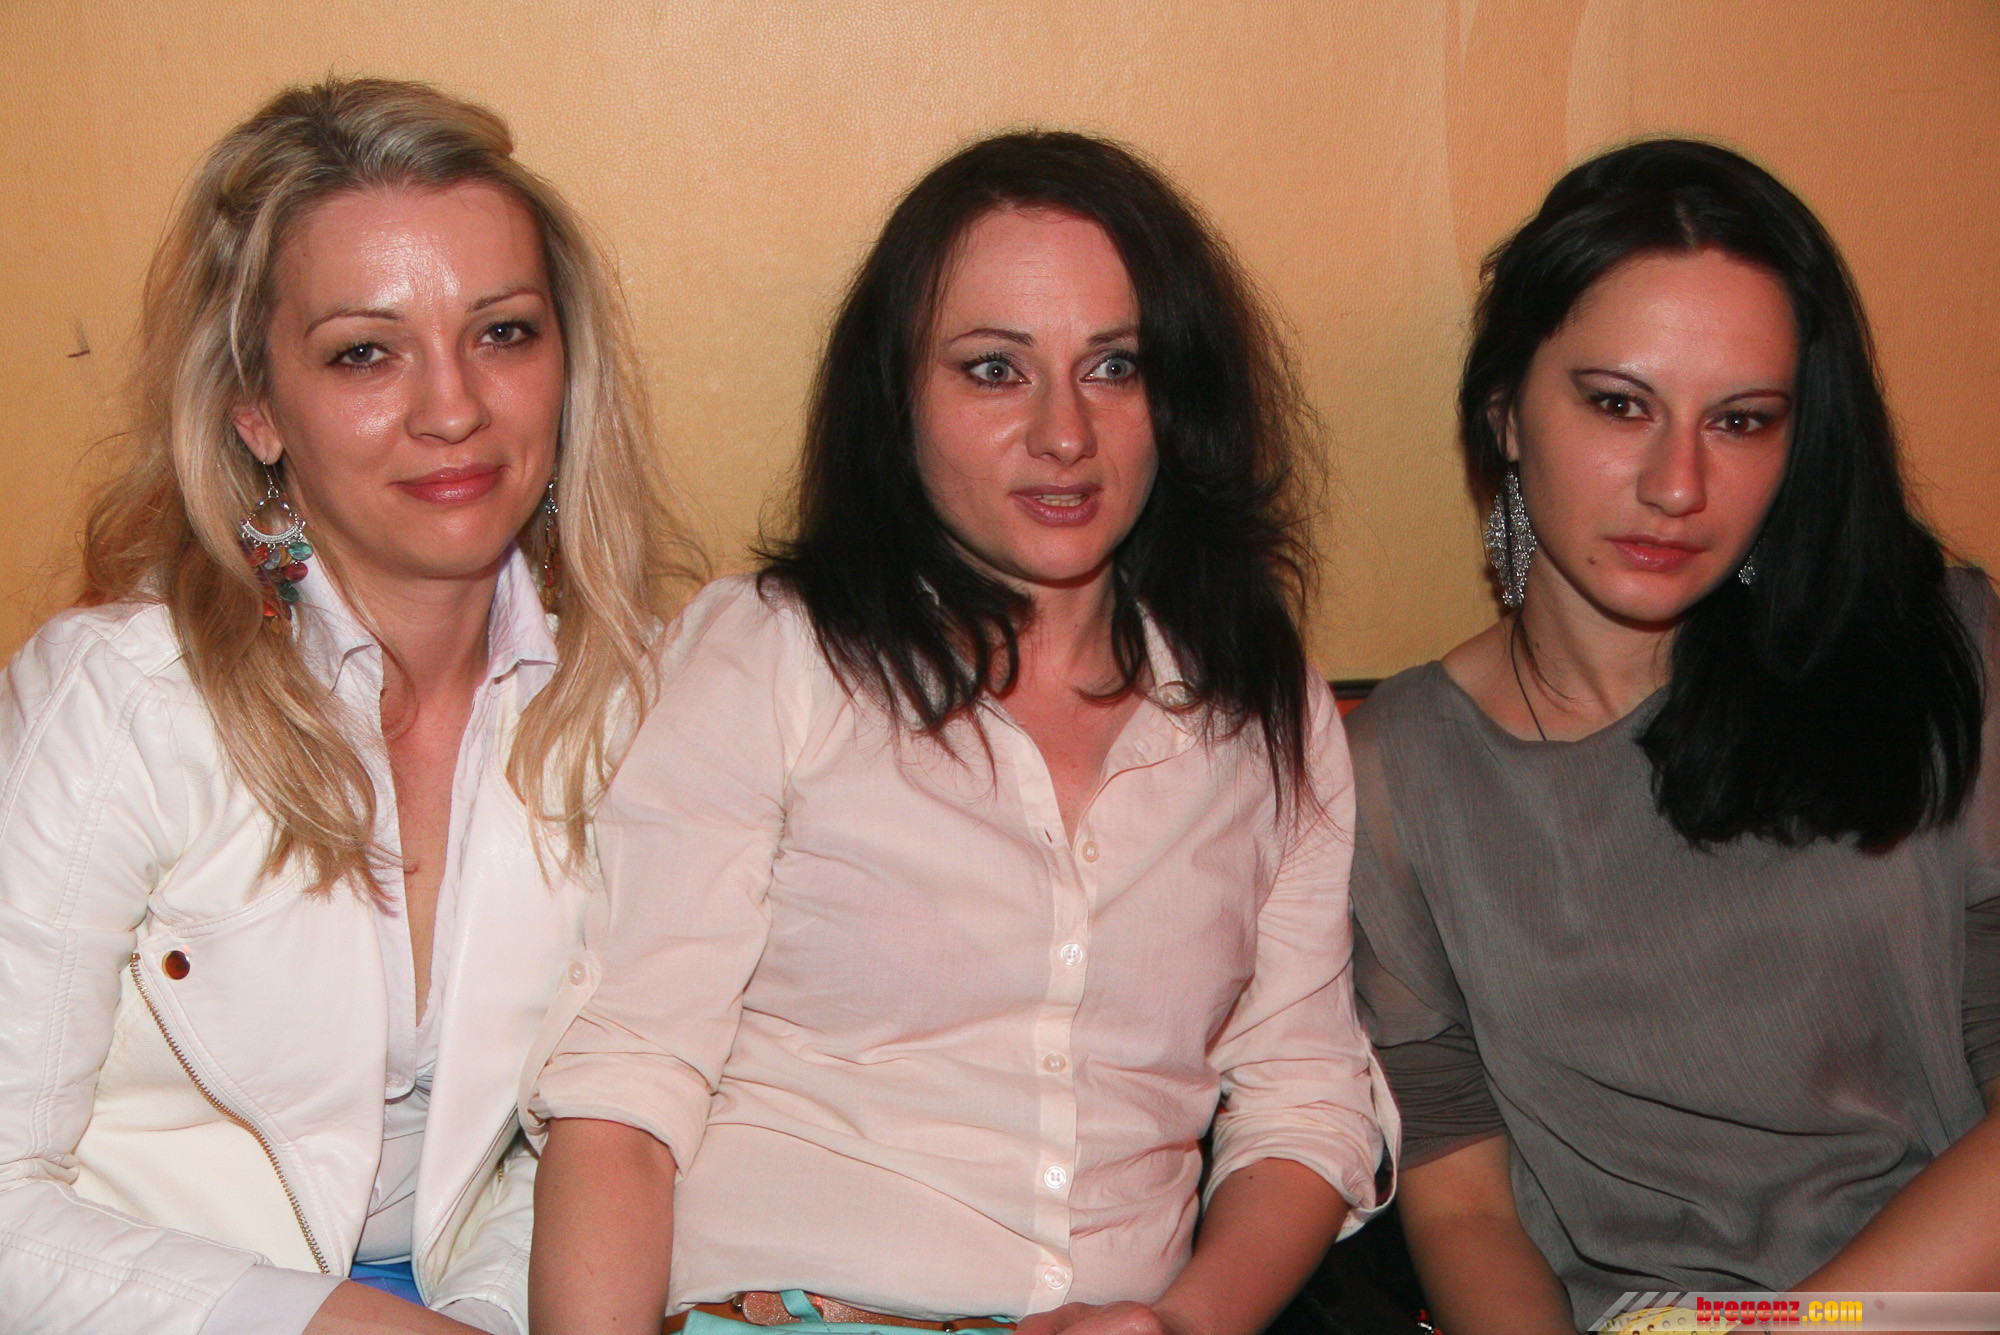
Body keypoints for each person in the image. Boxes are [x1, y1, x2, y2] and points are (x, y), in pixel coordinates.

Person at [523, 130, 1396, 1335]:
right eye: (994, 370)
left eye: (1114, 367)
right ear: (897, 399)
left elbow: (1303, 1098)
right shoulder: (769, 655)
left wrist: (1179, 1325)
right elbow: (624, 1091)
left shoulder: (1259, 701)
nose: (1063, 434)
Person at [0, 77, 693, 1335]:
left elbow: (591, 1137)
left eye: (503, 333)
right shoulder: (115, 702)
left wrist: (483, 1317)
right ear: (256, 410)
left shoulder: (643, 702)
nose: (453, 409)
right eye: (364, 352)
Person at [1347, 138, 2000, 1332]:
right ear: (1503, 413)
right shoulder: (1396, 773)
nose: (1677, 484)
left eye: (1740, 421)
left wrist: (1793, 1332)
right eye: (1617, 404)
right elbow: (1464, 1210)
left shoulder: (1933, 649)